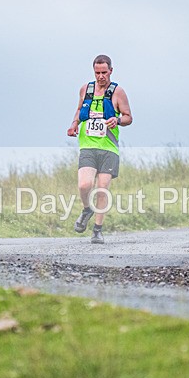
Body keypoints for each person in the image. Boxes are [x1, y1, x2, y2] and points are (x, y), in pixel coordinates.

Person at [66, 54, 132, 244]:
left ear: (111, 70)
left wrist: (117, 120)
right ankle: (87, 209)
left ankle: (97, 230)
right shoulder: (85, 89)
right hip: (87, 146)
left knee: (102, 189)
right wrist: (74, 124)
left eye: (104, 72)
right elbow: (79, 110)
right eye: (97, 73)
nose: (101, 76)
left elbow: (128, 117)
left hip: (109, 148)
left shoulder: (118, 92)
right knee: (84, 185)